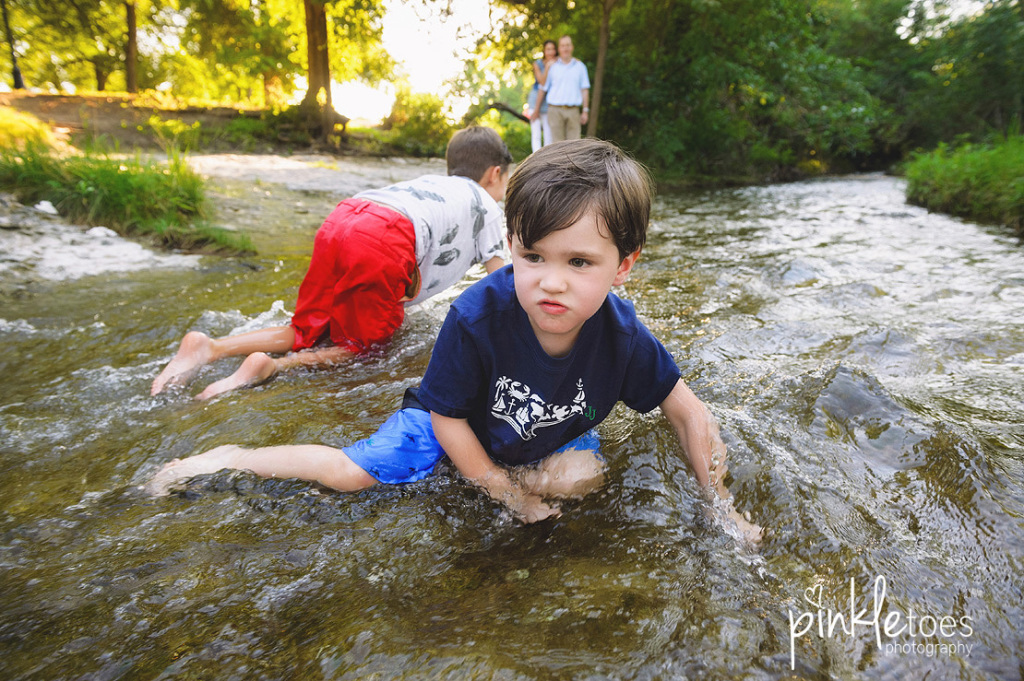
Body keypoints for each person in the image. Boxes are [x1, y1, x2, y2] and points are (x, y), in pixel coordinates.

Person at [145, 140, 761, 542]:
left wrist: (721, 505)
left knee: (581, 479)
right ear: (511, 243)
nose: (550, 282)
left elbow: (688, 411)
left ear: (623, 265)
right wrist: (501, 491)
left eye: (579, 263)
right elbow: (446, 417)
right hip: (452, 422)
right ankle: (228, 456)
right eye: (532, 256)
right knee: (351, 474)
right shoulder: (477, 315)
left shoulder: (622, 336)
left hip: (545, 427)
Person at [150, 126, 512, 400]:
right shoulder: (485, 203)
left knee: (310, 329)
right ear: (494, 173)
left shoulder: (433, 184)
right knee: (366, 349)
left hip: (345, 218)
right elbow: (504, 285)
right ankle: (272, 366)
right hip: (384, 238)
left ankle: (211, 347)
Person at [532, 35, 590, 143]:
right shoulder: (551, 67)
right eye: (563, 46)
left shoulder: (580, 66)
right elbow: (542, 88)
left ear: (572, 47)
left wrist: (585, 111)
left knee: (575, 145)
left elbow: (585, 90)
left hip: (573, 111)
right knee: (557, 146)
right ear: (559, 49)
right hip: (555, 111)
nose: (565, 48)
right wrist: (536, 110)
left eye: (568, 45)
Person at [526, 40, 557, 152]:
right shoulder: (537, 64)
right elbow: (542, 82)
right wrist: (548, 68)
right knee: (536, 134)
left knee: (549, 135)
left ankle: (546, 161)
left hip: (549, 102)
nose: (551, 52)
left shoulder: (558, 62)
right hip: (536, 100)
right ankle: (535, 160)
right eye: (548, 49)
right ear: (544, 50)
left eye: (553, 49)